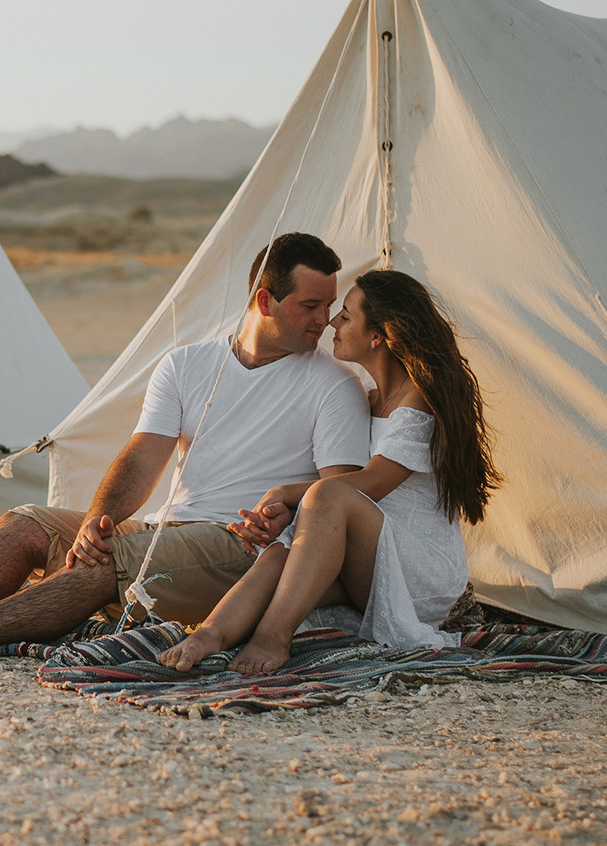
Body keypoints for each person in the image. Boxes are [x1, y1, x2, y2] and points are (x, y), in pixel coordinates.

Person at [0, 232, 371, 659]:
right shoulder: (187, 364)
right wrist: (96, 523)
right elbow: (143, 456)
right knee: (27, 522)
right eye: (311, 306)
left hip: (245, 549)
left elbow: (338, 497)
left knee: (108, 567)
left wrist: (279, 513)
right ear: (266, 300)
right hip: (169, 531)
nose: (324, 321)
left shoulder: (333, 385)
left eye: (329, 308)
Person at [158, 268, 500, 676]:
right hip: (370, 552)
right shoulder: (368, 398)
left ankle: (273, 636)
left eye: (346, 315)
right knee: (281, 556)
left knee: (324, 495)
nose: (332, 323)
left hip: (418, 566)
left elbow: (371, 483)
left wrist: (287, 492)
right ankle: (209, 635)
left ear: (377, 336)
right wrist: (289, 513)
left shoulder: (419, 398)